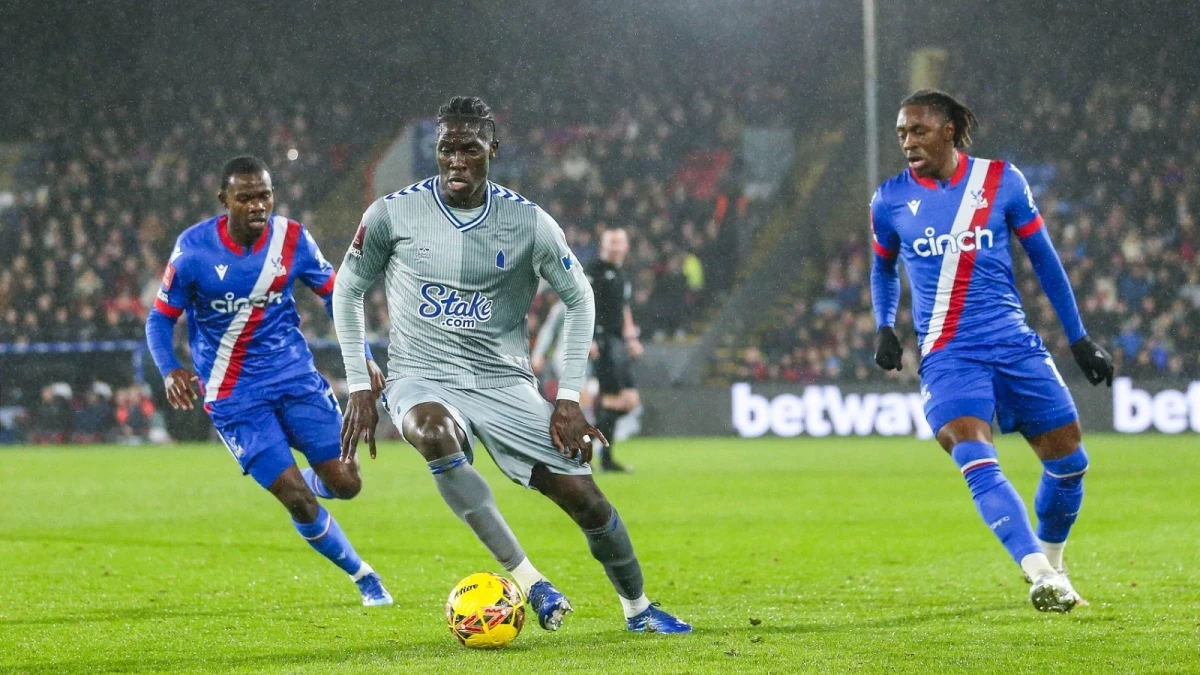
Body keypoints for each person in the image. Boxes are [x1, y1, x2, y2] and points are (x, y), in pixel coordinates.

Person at [333, 96, 690, 634]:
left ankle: (638, 610)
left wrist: (568, 398)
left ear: (492, 150)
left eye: (469, 149)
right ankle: (530, 582)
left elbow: (581, 298)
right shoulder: (392, 213)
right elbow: (347, 289)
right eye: (446, 149)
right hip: (420, 375)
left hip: (503, 381)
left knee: (586, 501)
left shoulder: (528, 223)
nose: (456, 161)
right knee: (432, 431)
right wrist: (360, 382)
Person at [870, 90, 1114, 613]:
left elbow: (1045, 260)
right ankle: (1036, 574)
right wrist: (884, 326)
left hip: (1013, 343)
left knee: (1070, 464)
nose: (907, 141)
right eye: (901, 133)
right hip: (948, 354)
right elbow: (882, 267)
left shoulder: (1002, 181)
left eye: (917, 130)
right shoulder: (889, 200)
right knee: (973, 453)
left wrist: (1079, 338)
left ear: (950, 130)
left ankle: (1053, 566)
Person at [144, 155, 393, 607]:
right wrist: (170, 368)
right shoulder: (193, 250)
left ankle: (303, 474)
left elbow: (336, 297)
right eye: (246, 198)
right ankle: (364, 576)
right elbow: (159, 320)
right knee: (297, 500)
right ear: (225, 201)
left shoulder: (292, 239)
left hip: (295, 378)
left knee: (347, 484)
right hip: (233, 394)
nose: (258, 205)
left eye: (264, 195)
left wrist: (362, 357)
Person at [584, 228, 643, 472]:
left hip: (618, 342)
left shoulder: (621, 273)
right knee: (613, 399)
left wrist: (631, 338)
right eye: (611, 242)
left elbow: (624, 308)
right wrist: (589, 338)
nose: (616, 246)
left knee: (629, 401)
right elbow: (581, 305)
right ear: (603, 244)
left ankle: (590, 441)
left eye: (620, 242)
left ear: (626, 246)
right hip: (603, 341)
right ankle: (601, 456)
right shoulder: (593, 271)